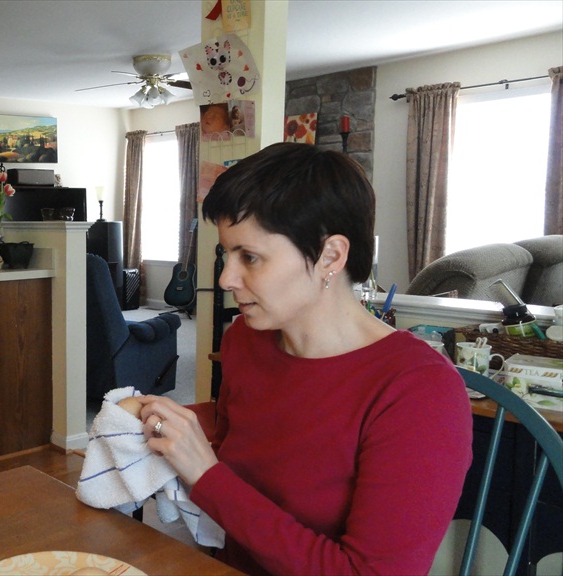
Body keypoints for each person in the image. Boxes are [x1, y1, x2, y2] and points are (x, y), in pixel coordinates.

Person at [133, 143, 473, 575]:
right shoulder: (246, 342)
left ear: (331, 256)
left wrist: (206, 475)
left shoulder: (419, 392)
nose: (226, 279)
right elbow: (249, 430)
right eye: (226, 254)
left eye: (249, 257)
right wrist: (159, 416)